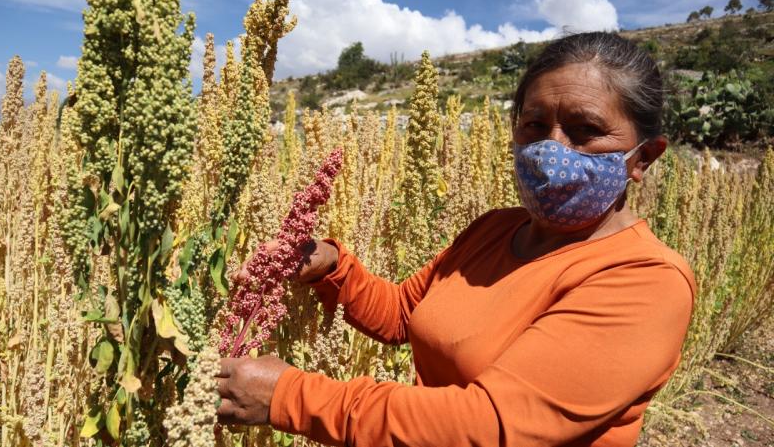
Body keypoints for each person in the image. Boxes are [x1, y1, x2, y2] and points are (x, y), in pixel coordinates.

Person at [215, 31, 696, 447]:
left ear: (643, 158)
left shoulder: (646, 281)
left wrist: (289, 397)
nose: (553, 149)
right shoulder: (496, 229)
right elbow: (405, 313)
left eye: (585, 130)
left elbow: (486, 427)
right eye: (535, 125)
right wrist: (330, 266)